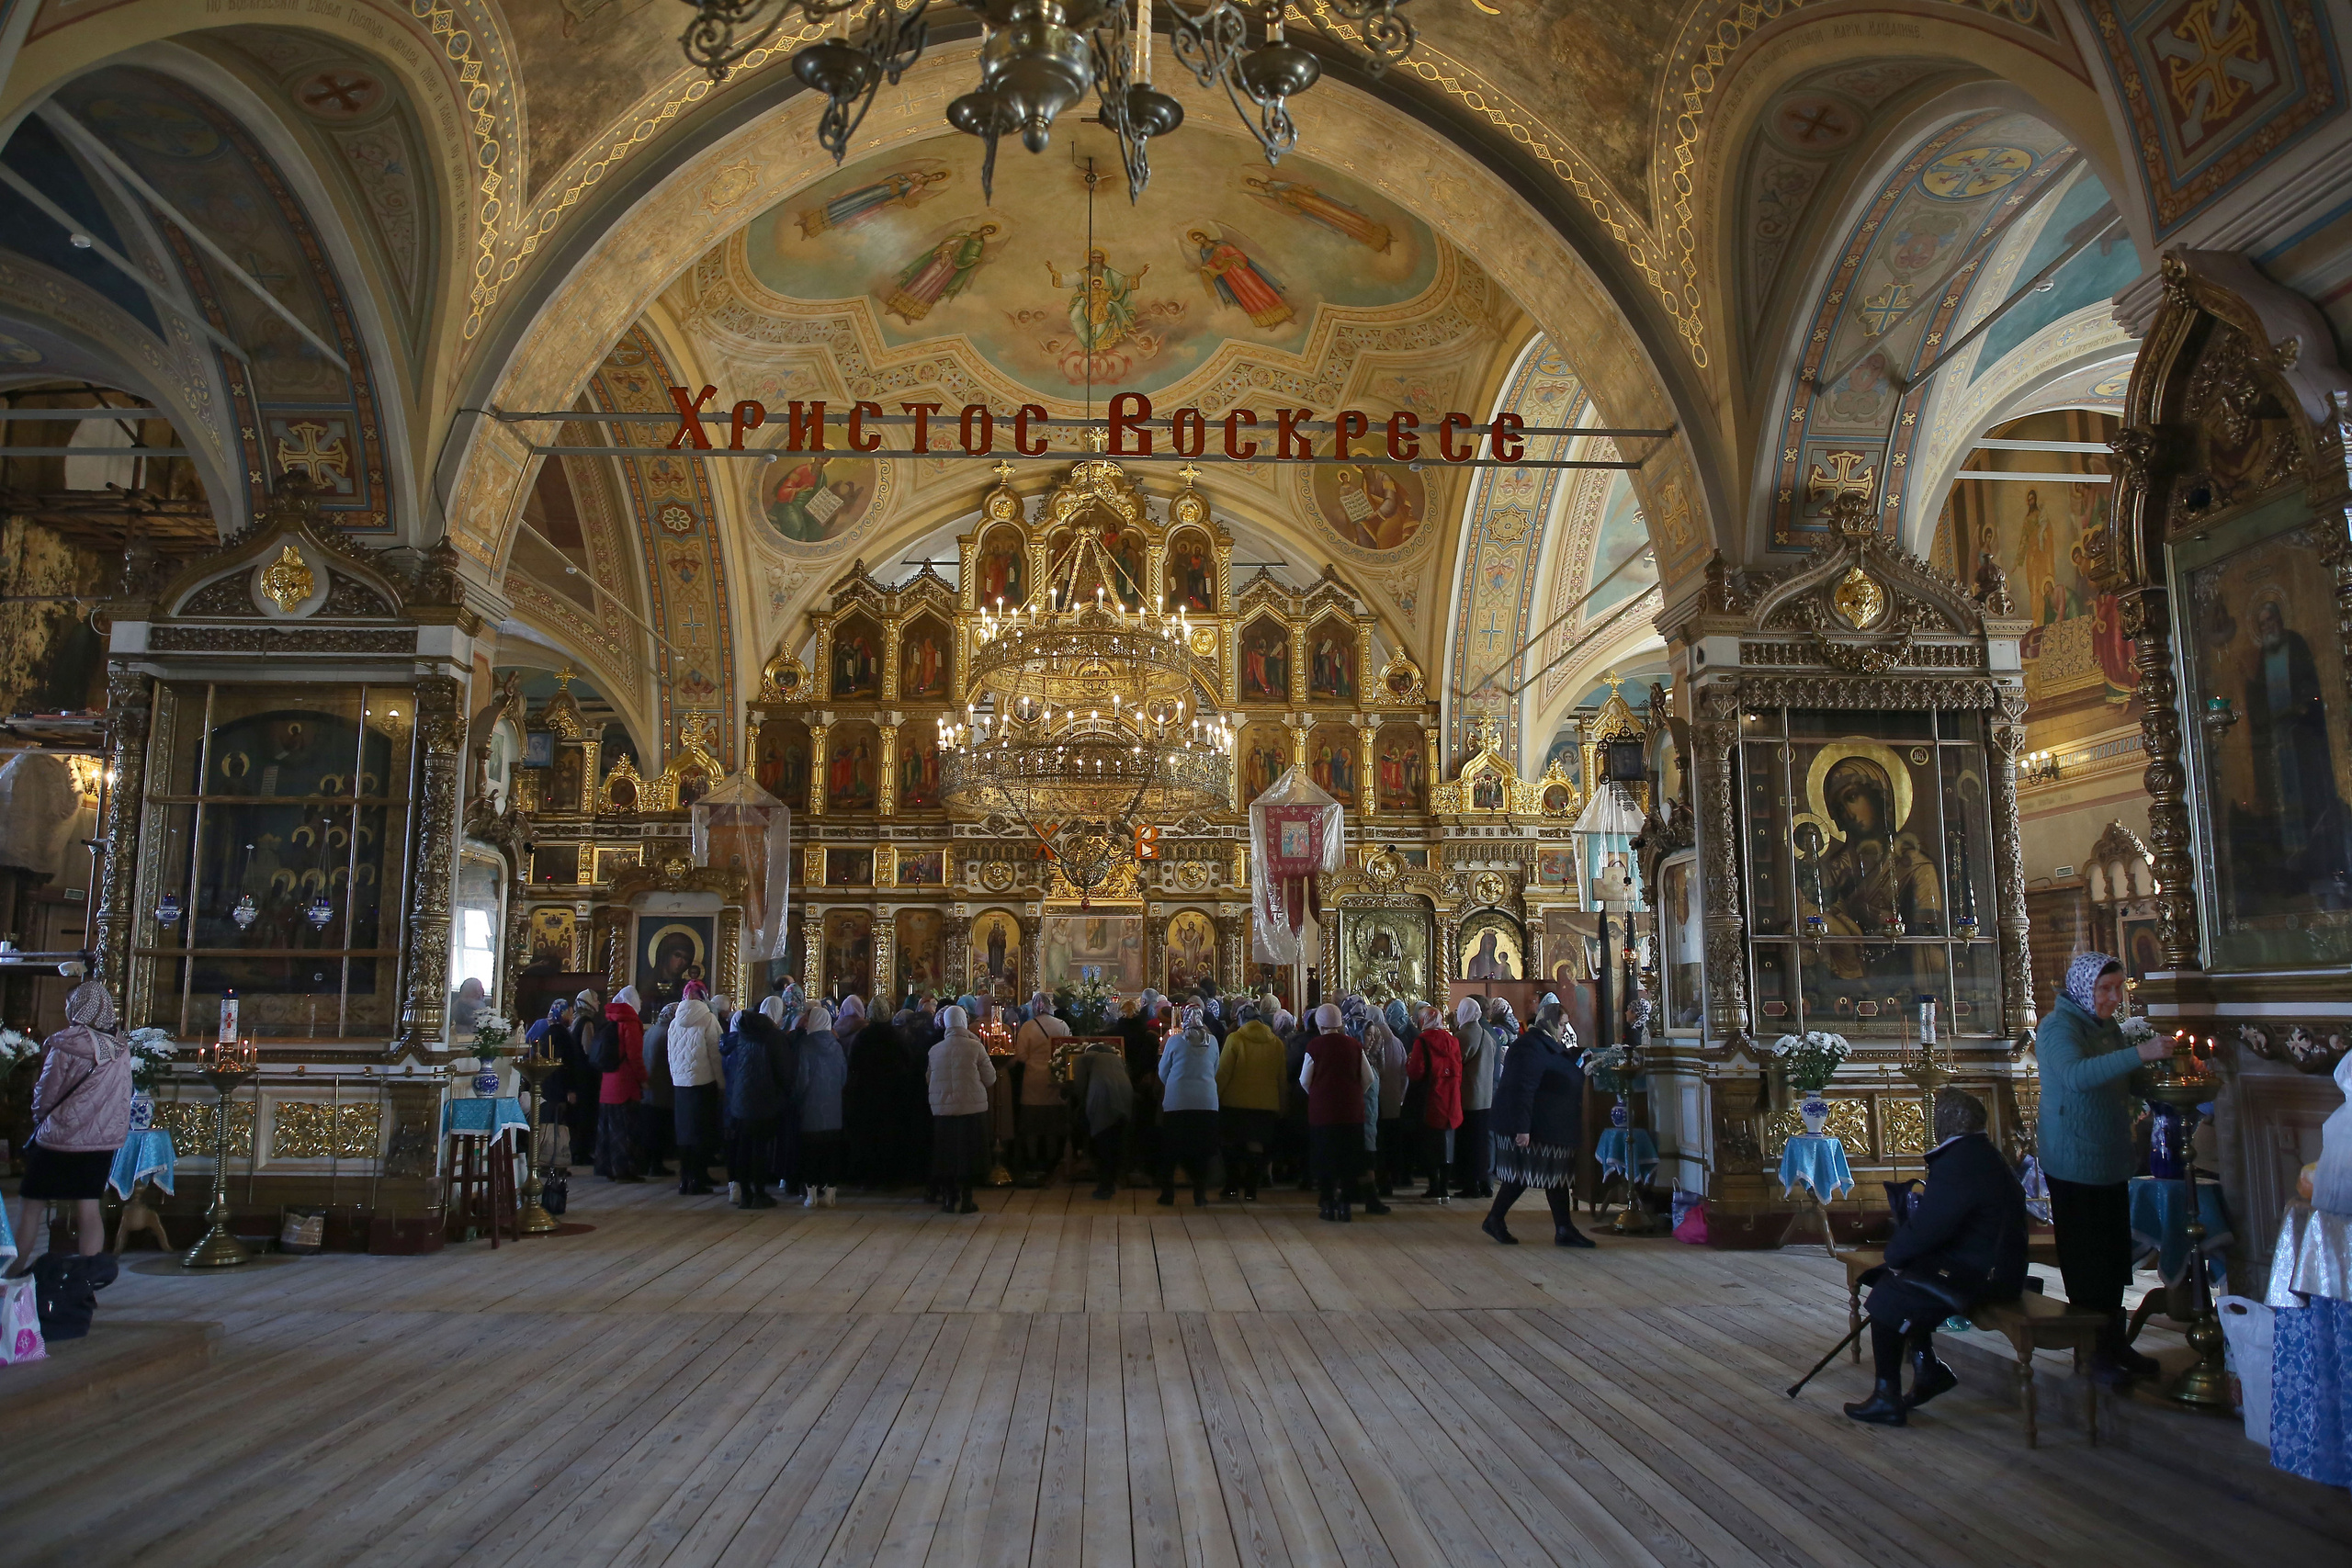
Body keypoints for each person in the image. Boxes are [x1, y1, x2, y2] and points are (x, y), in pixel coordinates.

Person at [1845, 1089, 2029, 1425]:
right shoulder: (1981, 1154)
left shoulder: (1960, 1163)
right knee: (1904, 1280)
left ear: (1944, 1124)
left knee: (1888, 1295)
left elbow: (1930, 1226)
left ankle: (1887, 1397)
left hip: (1983, 1277)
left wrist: (1896, 1255)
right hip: (1994, 1268)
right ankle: (1927, 1369)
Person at [2036, 952, 2170, 1382]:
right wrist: (2140, 1054)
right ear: (2083, 989)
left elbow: (2124, 1079)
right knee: (2088, 1260)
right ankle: (2094, 1352)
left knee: (2113, 1258)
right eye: (2106, 989)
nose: (2115, 998)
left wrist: (2172, 1075)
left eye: (2119, 988)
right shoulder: (2058, 1028)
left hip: (2110, 1158)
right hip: (2075, 1161)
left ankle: (2115, 1344)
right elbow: (2076, 1075)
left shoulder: (2106, 1027)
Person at [6, 980, 133, 1338]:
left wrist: (41, 1116)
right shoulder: (119, 1048)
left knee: (30, 1208)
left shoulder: (67, 1045)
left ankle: (10, 1277)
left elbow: (46, 1095)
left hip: (58, 1141)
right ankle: (85, 1286)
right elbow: (122, 1098)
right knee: (88, 1210)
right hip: (99, 1145)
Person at [1485, 1001, 1592, 1247]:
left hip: (1549, 1124)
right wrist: (1522, 1128)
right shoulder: (1529, 1046)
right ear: (1550, 1022)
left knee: (1548, 1176)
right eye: (1562, 1024)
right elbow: (1522, 1088)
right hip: (1533, 1125)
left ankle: (1561, 1228)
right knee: (1530, 1175)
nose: (1565, 1029)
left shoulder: (1546, 1044)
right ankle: (1498, 1220)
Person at [1299, 1003, 1373, 1221]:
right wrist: (1354, 1093)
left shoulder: (1315, 1046)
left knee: (1325, 1159)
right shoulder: (1354, 1045)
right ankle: (1346, 1205)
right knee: (1349, 1159)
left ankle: (1328, 1203)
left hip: (1323, 1114)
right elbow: (1368, 1078)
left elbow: (1304, 1079)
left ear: (1319, 1024)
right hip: (1351, 1112)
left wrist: (1318, 1094)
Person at [928, 1005, 998, 1213]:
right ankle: (967, 1200)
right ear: (964, 1022)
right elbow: (991, 1078)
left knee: (947, 1155)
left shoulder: (935, 1050)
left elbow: (928, 1079)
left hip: (943, 1111)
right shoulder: (975, 1047)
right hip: (971, 1109)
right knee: (970, 1154)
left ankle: (949, 1199)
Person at [1216, 1002, 1286, 1201]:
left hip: (1235, 1101)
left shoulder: (1235, 1038)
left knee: (1230, 1144)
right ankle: (1251, 1189)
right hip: (1266, 1104)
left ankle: (1231, 1187)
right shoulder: (1276, 1042)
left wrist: (1215, 1096)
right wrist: (1283, 1104)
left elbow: (1223, 1073)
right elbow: (1281, 1078)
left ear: (1240, 1021)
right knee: (1257, 1146)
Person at [723, 1003, 786, 1209]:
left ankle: (745, 1194)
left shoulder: (742, 1035)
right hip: (763, 1099)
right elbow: (783, 1070)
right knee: (760, 1149)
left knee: (743, 1147)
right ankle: (759, 1192)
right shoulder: (773, 1038)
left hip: (740, 1099)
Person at [1157, 1007, 1221, 1206]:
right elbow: (1215, 1069)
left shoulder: (1175, 1041)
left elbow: (1162, 1071)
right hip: (1207, 1102)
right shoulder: (1213, 1042)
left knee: (1171, 1149)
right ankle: (1200, 1195)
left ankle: (1167, 1195)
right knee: (1202, 1150)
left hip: (1178, 1102)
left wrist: (1177, 1084)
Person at [668, 992, 724, 1196]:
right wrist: (721, 1082)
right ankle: (698, 1178)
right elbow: (715, 1054)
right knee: (701, 1132)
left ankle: (685, 1178)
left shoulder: (675, 1021)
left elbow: (670, 1052)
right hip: (703, 1082)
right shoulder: (708, 1019)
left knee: (685, 1134)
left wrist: (675, 1076)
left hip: (680, 1084)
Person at [1407, 1003, 1464, 1202]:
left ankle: (1434, 1187)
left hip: (1432, 1097)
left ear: (1423, 1021)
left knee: (1430, 1144)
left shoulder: (1422, 1041)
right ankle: (1444, 1188)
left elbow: (1416, 1072)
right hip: (1452, 1097)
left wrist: (1408, 1063)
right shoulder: (1453, 1041)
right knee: (1448, 1144)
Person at [1013, 993, 1072, 1184]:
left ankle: (1033, 1164)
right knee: (1052, 1125)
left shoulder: (1028, 1027)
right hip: (1055, 1079)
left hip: (1033, 1081)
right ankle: (1051, 1164)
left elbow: (1021, 1056)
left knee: (1032, 1125)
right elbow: (1069, 1052)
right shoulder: (1062, 1024)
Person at [795, 1002, 848, 1207]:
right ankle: (831, 1193)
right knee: (831, 1152)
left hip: (811, 1108)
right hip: (833, 1108)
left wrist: (799, 1099)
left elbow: (802, 1079)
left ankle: (811, 1194)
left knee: (811, 1153)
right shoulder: (837, 1046)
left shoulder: (806, 1046)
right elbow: (843, 1077)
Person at [596, 987, 648, 1181]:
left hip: (608, 1082)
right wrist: (643, 1079)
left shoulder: (610, 1020)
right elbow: (635, 1056)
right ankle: (624, 1170)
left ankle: (606, 1167)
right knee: (624, 1130)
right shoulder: (630, 1023)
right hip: (624, 1083)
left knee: (608, 1128)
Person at [1074, 1034, 1133, 1201]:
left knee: (1102, 1144)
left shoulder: (1084, 1058)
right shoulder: (1116, 1059)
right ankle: (1112, 1182)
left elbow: (1080, 1086)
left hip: (1101, 1100)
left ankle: (1104, 1187)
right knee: (1116, 1141)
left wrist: (1079, 1105)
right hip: (1125, 1097)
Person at [1454, 997, 1497, 1199]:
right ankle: (1485, 1183)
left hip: (1468, 1098)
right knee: (1482, 1144)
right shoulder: (1487, 1035)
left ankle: (1470, 1185)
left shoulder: (1463, 1036)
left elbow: (1455, 1065)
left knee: (1469, 1144)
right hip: (1486, 1098)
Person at [1367, 1016, 1409, 1197]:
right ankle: (1393, 1179)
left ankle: (1379, 1180)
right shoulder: (1397, 1041)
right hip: (1393, 1100)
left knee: (1379, 1143)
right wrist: (1401, 1095)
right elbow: (1404, 1072)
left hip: (1375, 1100)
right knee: (1392, 1142)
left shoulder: (1372, 1040)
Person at [641, 1001, 679, 1180]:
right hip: (662, 1086)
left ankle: (649, 1163)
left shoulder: (652, 1030)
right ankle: (656, 1165)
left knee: (650, 1127)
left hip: (650, 1085)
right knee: (659, 1129)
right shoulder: (668, 1032)